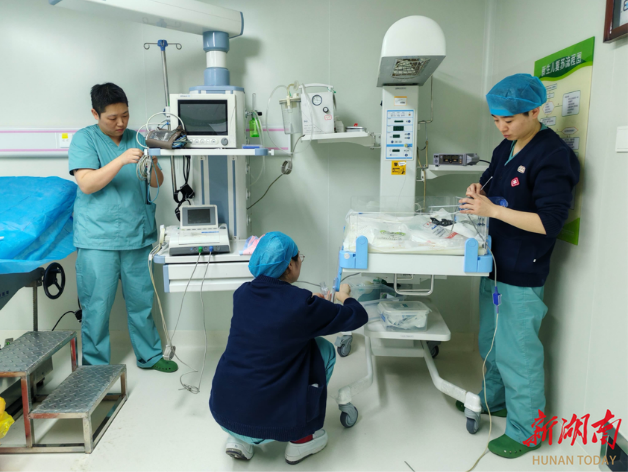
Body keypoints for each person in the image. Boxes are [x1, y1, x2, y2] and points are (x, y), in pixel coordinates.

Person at [458, 73, 580, 458]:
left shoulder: (553, 155)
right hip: (495, 262)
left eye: (509, 120)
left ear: (535, 111)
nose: (502, 127)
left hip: (523, 270)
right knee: (492, 343)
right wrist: (477, 190)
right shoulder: (506, 146)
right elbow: (491, 179)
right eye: (496, 119)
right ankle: (494, 400)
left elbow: (549, 222)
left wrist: (493, 210)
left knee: (518, 353)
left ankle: (528, 431)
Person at [209, 232, 368, 465]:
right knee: (323, 349)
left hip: (225, 414)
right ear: (290, 265)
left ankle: (240, 440)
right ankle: (301, 439)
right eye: (299, 257)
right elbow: (357, 316)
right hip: (270, 424)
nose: (300, 261)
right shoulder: (301, 304)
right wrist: (344, 296)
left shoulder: (242, 293)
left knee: (256, 358)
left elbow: (276, 315)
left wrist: (311, 304)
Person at [68, 83, 177, 373]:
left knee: (142, 303)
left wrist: (151, 161)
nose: (120, 123)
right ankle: (95, 367)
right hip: (97, 238)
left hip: (137, 236)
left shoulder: (138, 138)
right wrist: (121, 160)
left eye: (125, 115)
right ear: (95, 114)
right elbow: (87, 184)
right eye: (112, 118)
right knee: (96, 306)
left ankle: (150, 355)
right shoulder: (84, 139)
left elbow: (156, 182)